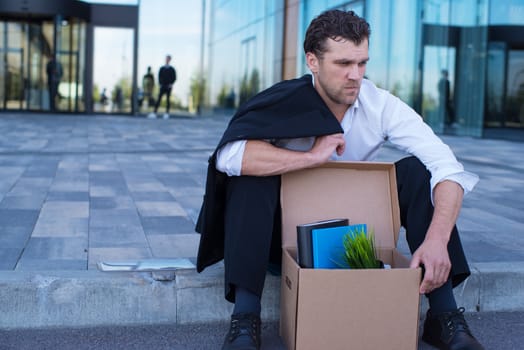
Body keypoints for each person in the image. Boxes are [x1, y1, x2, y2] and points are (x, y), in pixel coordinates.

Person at [195, 10, 484, 350]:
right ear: (312, 61)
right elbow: (228, 157)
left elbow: (447, 166)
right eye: (343, 63)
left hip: (348, 236)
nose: (355, 75)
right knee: (250, 177)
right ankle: (245, 318)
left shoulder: (379, 105)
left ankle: (443, 316)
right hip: (279, 239)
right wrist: (309, 158)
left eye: (362, 63)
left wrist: (437, 238)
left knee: (418, 171)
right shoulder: (283, 100)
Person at [149, 55, 176, 119]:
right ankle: (154, 113)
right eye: (166, 59)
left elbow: (174, 77)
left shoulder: (172, 69)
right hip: (162, 86)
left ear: (170, 60)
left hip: (169, 87)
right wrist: (160, 84)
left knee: (168, 100)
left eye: (168, 59)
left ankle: (167, 113)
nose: (167, 60)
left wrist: (171, 84)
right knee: (159, 99)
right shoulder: (162, 68)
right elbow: (159, 77)